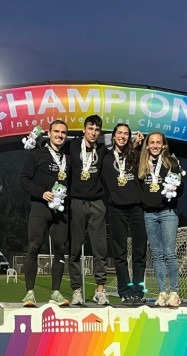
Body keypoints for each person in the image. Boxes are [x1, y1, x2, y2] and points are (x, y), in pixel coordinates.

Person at [20, 120, 71, 307]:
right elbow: (24, 180)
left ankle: (56, 292)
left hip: (60, 210)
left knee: (60, 249)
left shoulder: (68, 156)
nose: (60, 135)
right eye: (56, 131)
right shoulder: (37, 154)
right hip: (40, 207)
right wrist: (41, 193)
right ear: (49, 133)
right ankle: (30, 293)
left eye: (63, 132)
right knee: (34, 247)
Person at [66, 115, 110, 305]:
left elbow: (121, 146)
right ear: (84, 129)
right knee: (75, 247)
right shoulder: (73, 146)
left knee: (100, 248)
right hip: (76, 201)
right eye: (90, 128)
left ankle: (100, 290)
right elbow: (52, 144)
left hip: (97, 202)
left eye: (97, 130)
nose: (93, 133)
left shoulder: (102, 149)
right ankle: (76, 290)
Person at [102, 123, 147, 305]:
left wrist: (139, 144)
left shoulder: (135, 155)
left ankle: (138, 291)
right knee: (119, 253)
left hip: (137, 208)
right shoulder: (105, 157)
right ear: (113, 136)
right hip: (116, 209)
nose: (122, 136)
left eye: (126, 133)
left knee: (139, 252)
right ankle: (125, 291)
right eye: (119, 133)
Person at [137, 132, 184, 307]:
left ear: (164, 145)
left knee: (169, 253)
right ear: (147, 145)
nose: (155, 146)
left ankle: (174, 292)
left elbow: (181, 187)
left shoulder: (171, 162)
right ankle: (162, 292)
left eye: (159, 143)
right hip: (149, 213)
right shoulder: (142, 163)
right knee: (156, 255)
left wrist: (174, 191)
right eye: (152, 143)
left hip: (167, 212)